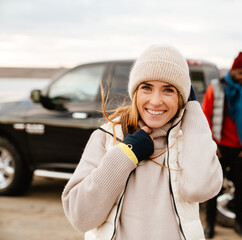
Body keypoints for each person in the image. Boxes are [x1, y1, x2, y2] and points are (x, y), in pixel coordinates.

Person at [61, 44, 223, 240]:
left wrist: (194, 110)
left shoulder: (187, 143)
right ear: (135, 91)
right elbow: (81, 218)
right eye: (146, 87)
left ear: (182, 97)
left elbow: (199, 189)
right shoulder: (107, 137)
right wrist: (124, 155)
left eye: (168, 90)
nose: (155, 101)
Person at [202, 51, 242, 239]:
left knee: (240, 188)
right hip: (219, 147)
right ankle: (210, 224)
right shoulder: (216, 87)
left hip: (241, 148)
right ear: (233, 71)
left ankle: (240, 224)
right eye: (241, 73)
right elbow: (206, 116)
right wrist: (212, 144)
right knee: (214, 188)